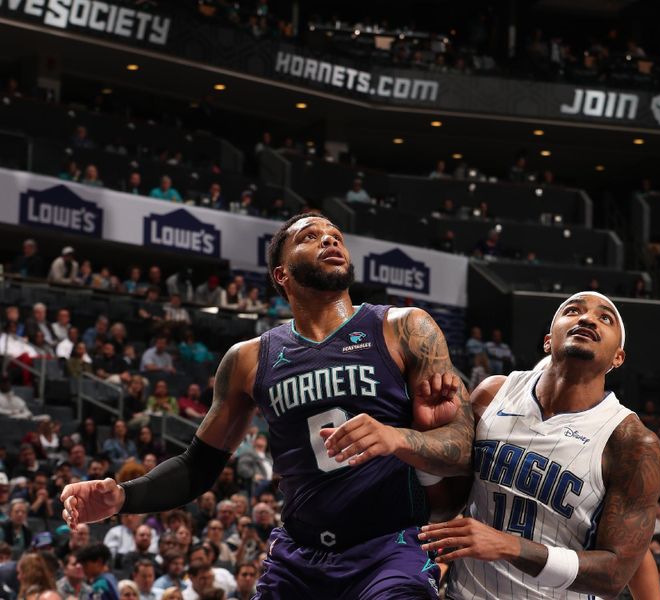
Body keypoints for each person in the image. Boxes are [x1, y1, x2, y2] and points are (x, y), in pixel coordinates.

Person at [61, 213, 473, 600]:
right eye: (308, 236)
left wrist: (395, 437)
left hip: (391, 544)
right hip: (299, 556)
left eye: (335, 235)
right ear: (282, 274)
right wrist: (122, 498)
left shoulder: (405, 327)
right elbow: (197, 467)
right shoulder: (248, 359)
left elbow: (462, 450)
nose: (328, 238)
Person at [419, 291, 660, 600]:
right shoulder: (492, 394)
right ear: (548, 341)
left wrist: (510, 546)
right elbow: (444, 507)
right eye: (573, 310)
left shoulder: (631, 443)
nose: (587, 318)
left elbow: (616, 574)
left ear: (618, 357)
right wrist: (426, 435)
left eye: (605, 318)